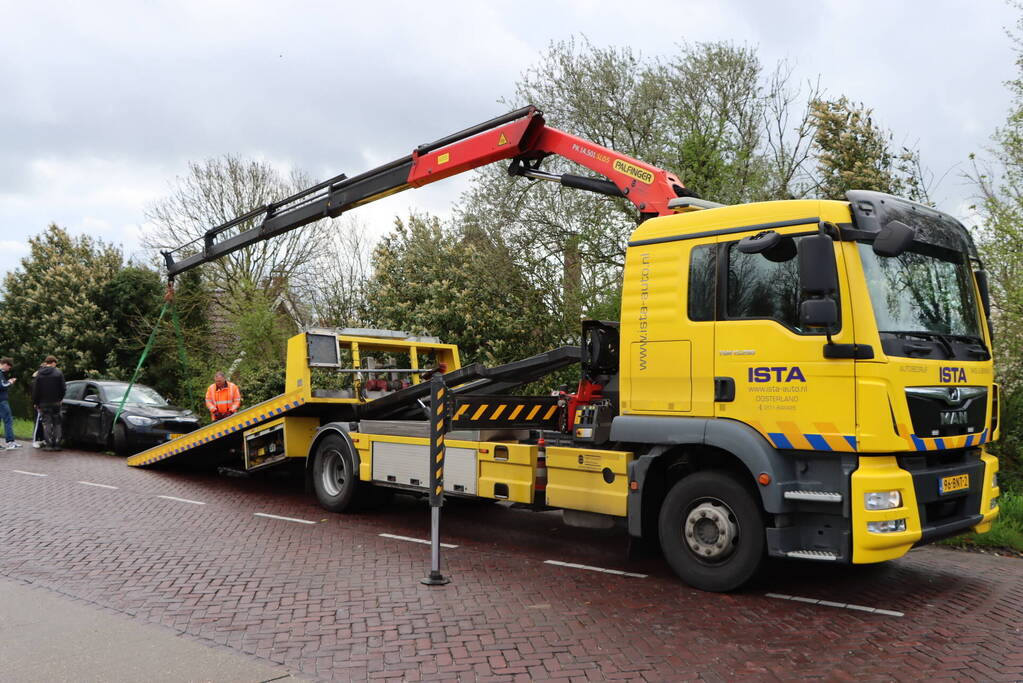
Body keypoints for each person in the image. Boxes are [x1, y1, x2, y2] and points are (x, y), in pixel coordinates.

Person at [32, 356, 66, 451]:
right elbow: (63, 388)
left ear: (46, 362)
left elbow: (36, 390)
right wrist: (60, 398)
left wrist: (36, 402)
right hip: (56, 402)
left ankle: (49, 444)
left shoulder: (39, 374)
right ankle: (57, 443)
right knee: (57, 423)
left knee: (46, 423)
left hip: (43, 403)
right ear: (53, 362)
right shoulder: (58, 373)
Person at [0, 357, 21, 450]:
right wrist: (10, 382)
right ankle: (10, 442)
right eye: (9, 367)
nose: (9, 369)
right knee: (8, 420)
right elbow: (2, 385)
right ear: (5, 364)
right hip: (1, 401)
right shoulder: (0, 373)